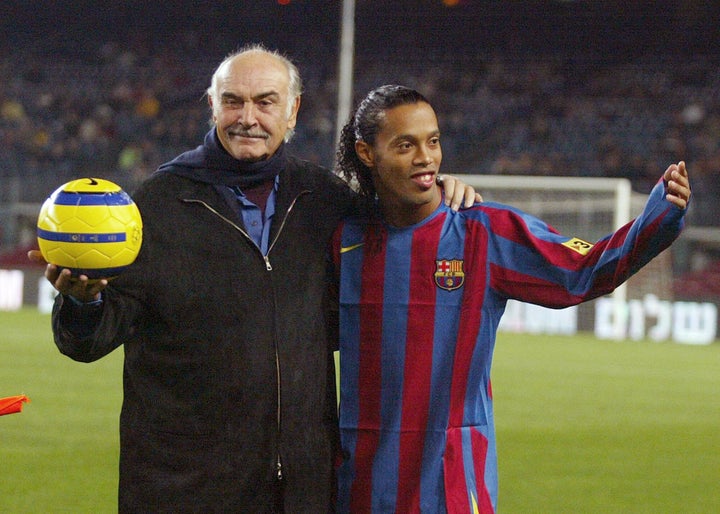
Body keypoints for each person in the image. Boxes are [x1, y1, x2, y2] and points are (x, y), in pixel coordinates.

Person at [28, 46, 478, 512]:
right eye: (232, 101)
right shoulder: (158, 204)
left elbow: (396, 239)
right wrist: (83, 303)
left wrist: (437, 192)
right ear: (212, 106)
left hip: (301, 488)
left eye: (265, 102)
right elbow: (89, 341)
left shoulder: (324, 198)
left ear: (292, 110)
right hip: (185, 489)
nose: (248, 117)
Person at [330, 85, 691, 513]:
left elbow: (584, 270)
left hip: (455, 489)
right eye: (405, 145)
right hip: (361, 489)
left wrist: (660, 216)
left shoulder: (483, 232)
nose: (426, 157)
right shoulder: (343, 240)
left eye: (433, 141)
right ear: (367, 153)